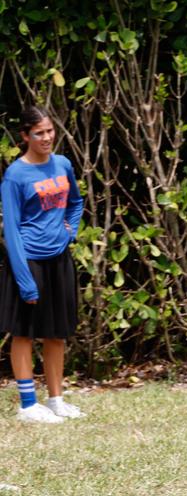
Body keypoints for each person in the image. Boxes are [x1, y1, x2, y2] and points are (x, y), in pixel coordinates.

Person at [0, 105, 85, 423]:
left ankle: (56, 400)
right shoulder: (15, 175)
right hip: (28, 261)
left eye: (50, 131)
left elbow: (75, 202)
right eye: (39, 133)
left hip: (58, 260)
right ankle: (27, 405)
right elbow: (11, 230)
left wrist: (69, 232)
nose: (47, 137)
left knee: (56, 333)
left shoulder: (62, 164)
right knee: (23, 333)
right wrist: (24, 280)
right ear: (25, 136)